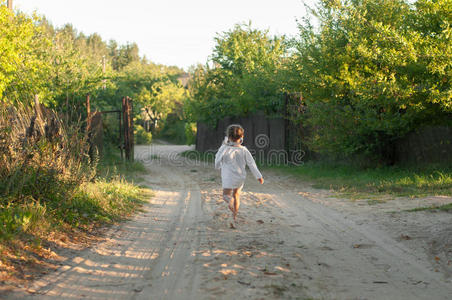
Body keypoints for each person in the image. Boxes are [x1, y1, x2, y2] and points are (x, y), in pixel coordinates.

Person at [215, 124, 264, 228]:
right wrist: (259, 176)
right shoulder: (244, 150)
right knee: (236, 195)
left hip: (228, 177)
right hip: (240, 176)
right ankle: (234, 217)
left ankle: (230, 202)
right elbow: (252, 163)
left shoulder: (224, 148)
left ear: (228, 136)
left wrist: (218, 166)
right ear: (242, 137)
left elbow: (217, 160)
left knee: (226, 196)